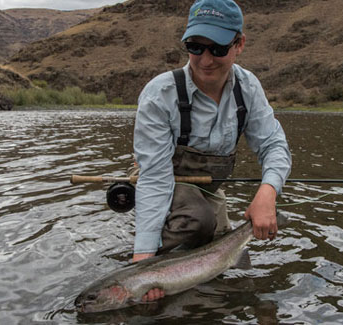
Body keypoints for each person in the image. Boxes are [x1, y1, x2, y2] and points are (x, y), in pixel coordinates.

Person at [131, 0, 292, 302]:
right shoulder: (159, 95)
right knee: (197, 219)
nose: (205, 60)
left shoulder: (248, 88)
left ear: (239, 44)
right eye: (195, 47)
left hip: (208, 190)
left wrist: (267, 193)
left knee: (225, 261)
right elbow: (154, 178)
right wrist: (143, 262)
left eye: (217, 48)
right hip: (161, 179)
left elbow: (274, 145)